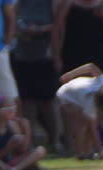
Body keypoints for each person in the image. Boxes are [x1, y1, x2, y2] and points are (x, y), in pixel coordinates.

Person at [11, 0, 64, 153]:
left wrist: (40, 30)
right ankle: (30, 141)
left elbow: (58, 26)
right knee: (26, 102)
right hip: (23, 56)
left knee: (48, 101)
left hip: (45, 55)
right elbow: (13, 16)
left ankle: (56, 141)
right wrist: (21, 29)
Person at [56, 62, 103, 158]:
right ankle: (79, 153)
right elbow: (92, 129)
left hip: (75, 93)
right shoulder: (89, 101)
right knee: (82, 124)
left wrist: (71, 74)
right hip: (64, 97)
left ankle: (87, 152)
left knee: (89, 122)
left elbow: (91, 67)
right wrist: (101, 150)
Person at [0, 96, 48, 170]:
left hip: (12, 161)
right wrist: (8, 147)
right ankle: (9, 168)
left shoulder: (12, 125)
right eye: (8, 108)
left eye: (13, 107)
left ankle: (15, 169)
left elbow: (23, 149)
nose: (13, 110)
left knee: (40, 150)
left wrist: (27, 130)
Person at [52, 0, 103, 76]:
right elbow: (56, 30)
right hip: (72, 56)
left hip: (97, 56)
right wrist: (56, 58)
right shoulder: (67, 3)